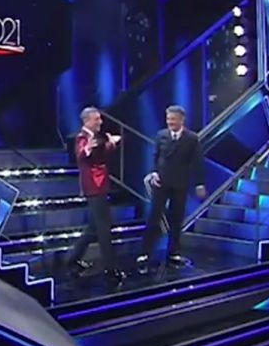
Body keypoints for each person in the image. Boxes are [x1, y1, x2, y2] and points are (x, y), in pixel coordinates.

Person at [138, 105, 206, 268]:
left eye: (173, 119)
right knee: (154, 216)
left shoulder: (191, 138)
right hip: (161, 182)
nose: (170, 122)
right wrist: (154, 172)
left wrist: (199, 184)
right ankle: (145, 252)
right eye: (168, 119)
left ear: (182, 120)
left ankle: (173, 252)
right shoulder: (161, 135)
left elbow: (197, 161)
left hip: (180, 183)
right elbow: (156, 156)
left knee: (176, 218)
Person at [65, 106, 126, 282]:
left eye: (100, 118)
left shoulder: (96, 137)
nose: (100, 122)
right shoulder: (82, 137)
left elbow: (100, 156)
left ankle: (72, 260)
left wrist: (110, 144)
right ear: (87, 121)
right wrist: (90, 148)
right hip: (93, 186)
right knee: (104, 227)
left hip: (100, 184)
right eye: (96, 119)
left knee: (94, 227)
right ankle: (110, 268)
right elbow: (81, 155)